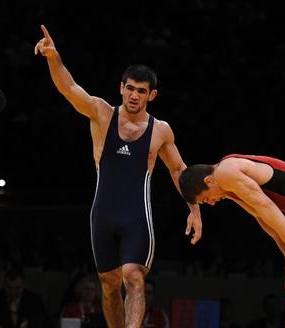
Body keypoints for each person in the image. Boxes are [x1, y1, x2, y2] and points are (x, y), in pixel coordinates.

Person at [34, 25, 202, 328]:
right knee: (109, 284)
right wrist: (53, 57)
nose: (134, 95)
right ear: (121, 87)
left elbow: (180, 171)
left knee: (134, 276)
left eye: (141, 91)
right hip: (103, 215)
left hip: (137, 216)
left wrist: (195, 209)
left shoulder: (160, 131)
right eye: (129, 88)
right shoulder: (102, 113)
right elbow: (69, 88)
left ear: (152, 95)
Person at [178, 154, 285, 328]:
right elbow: (261, 216)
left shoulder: (225, 173)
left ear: (208, 181)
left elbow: (266, 206)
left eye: (205, 199)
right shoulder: (228, 184)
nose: (211, 203)